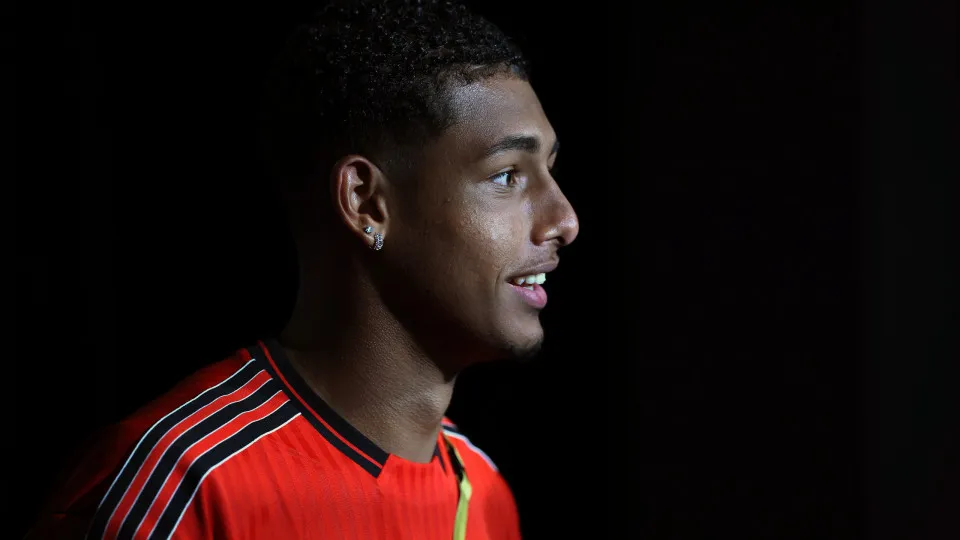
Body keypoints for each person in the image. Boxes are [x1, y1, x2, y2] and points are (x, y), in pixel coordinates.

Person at [26, 0, 579, 538]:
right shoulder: (185, 485)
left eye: (550, 169)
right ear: (366, 202)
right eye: (506, 175)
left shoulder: (486, 497)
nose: (565, 220)